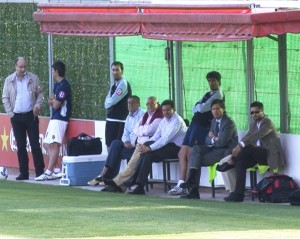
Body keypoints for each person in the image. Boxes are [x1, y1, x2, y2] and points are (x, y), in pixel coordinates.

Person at [106, 100, 187, 195]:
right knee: (146, 155)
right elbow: (156, 136)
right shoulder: (164, 120)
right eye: (164, 110)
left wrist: (148, 147)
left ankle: (129, 182)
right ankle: (139, 186)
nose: (165, 112)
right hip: (165, 146)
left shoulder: (177, 121)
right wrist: (145, 145)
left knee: (146, 151)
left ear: (174, 109)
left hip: (176, 148)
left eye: (168, 110)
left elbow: (165, 139)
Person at [217, 101, 286, 202]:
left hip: (269, 155)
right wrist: (238, 146)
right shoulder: (254, 123)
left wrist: (239, 147)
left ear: (262, 111)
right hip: (256, 155)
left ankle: (231, 161)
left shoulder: (267, 122)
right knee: (241, 163)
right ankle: (238, 194)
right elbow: (247, 136)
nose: (254, 114)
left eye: (256, 112)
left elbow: (257, 135)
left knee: (248, 148)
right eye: (252, 113)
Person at [169, 71, 224, 195]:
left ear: (219, 82)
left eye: (213, 80)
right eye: (209, 81)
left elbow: (203, 108)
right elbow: (196, 107)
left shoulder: (218, 95)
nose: (211, 83)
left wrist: (200, 107)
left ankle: (188, 185)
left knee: (190, 154)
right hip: (194, 124)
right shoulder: (207, 94)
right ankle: (180, 184)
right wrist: (199, 106)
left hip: (202, 126)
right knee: (181, 153)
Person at [98, 96, 163, 189]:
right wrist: (126, 141)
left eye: (152, 103)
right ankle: (112, 178)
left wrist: (136, 137)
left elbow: (149, 130)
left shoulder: (153, 115)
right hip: (138, 144)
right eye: (148, 104)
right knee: (115, 145)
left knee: (127, 160)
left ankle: (115, 181)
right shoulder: (143, 115)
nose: (149, 106)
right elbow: (131, 131)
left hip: (144, 145)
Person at [180, 99, 238, 199]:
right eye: (213, 109)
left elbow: (223, 142)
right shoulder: (214, 121)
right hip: (214, 148)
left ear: (223, 109)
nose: (215, 111)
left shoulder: (228, 122)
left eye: (217, 109)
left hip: (224, 151)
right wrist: (213, 139)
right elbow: (206, 139)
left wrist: (212, 138)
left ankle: (193, 189)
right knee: (196, 149)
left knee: (195, 160)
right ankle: (192, 183)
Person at [2, 57, 45, 180]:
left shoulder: (33, 78)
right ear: (15, 66)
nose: (23, 69)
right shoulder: (9, 80)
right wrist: (11, 113)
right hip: (16, 117)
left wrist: (37, 106)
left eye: (24, 66)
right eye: (20, 67)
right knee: (20, 145)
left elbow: (40, 94)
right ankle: (24, 173)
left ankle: (40, 172)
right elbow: (4, 97)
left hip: (30, 115)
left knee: (35, 144)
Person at [88, 95, 145, 185]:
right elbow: (125, 132)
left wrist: (132, 144)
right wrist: (126, 141)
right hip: (129, 144)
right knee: (115, 144)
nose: (129, 105)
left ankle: (104, 176)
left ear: (138, 104)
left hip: (138, 146)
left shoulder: (142, 115)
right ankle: (107, 177)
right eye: (128, 103)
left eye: (132, 103)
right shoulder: (129, 116)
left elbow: (140, 133)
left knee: (116, 150)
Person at [35, 60, 72, 181]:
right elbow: (52, 99)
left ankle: (49, 172)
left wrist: (52, 101)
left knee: (55, 144)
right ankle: (56, 169)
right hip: (54, 118)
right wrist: (52, 100)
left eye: (52, 70)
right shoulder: (57, 85)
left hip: (60, 119)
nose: (51, 72)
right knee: (46, 144)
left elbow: (55, 104)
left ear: (56, 71)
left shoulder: (64, 86)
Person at [105, 61, 132, 153]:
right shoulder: (114, 85)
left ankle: (114, 167)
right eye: (113, 70)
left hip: (118, 120)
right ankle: (110, 167)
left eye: (117, 70)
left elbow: (112, 101)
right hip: (110, 119)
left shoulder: (123, 84)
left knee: (115, 148)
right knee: (109, 145)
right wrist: (109, 102)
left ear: (122, 71)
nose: (115, 72)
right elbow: (106, 103)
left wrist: (109, 102)